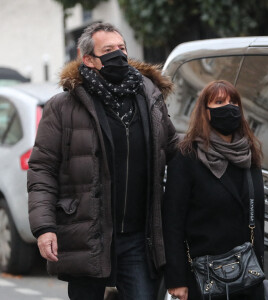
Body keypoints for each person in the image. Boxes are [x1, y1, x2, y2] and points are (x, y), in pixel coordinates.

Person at [27, 22, 178, 300]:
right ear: (88, 60)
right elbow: (42, 170)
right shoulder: (63, 107)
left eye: (121, 48)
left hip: (138, 238)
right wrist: (44, 227)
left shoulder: (150, 98)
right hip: (87, 235)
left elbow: (174, 151)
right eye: (108, 50)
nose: (118, 55)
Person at [163, 80, 265, 300]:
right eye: (219, 102)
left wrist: (260, 268)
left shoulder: (249, 155)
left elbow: (258, 219)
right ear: (206, 112)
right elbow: (172, 224)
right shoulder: (187, 157)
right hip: (206, 279)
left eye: (233, 102)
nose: (229, 107)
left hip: (248, 277)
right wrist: (177, 280)